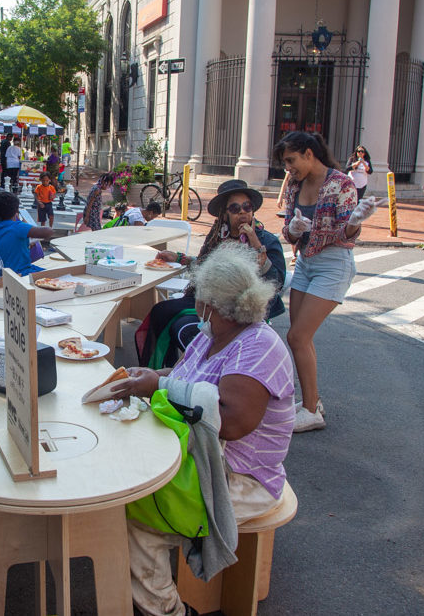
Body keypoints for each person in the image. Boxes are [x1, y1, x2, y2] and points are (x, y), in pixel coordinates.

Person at [116, 244, 294, 616]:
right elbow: (181, 376)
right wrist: (151, 376)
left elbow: (231, 423)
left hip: (242, 478)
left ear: (211, 304)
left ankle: (166, 610)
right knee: (128, 474)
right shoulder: (213, 334)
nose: (195, 304)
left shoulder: (259, 348)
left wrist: (160, 387)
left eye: (199, 298)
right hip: (208, 460)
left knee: (137, 516)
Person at [277, 131, 378, 432]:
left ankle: (311, 410)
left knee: (297, 336)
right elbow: (288, 232)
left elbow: (347, 235)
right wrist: (294, 229)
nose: (288, 169)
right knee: (298, 338)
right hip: (306, 261)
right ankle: (312, 402)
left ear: (309, 154)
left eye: (291, 161)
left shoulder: (340, 183)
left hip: (333, 264)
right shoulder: (295, 185)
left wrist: (354, 222)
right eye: (285, 163)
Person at [138, 179, 286, 369]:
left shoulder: (266, 240)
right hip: (208, 302)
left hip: (241, 310)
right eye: (234, 208)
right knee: (160, 311)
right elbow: (203, 265)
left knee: (183, 327)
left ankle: (199, 370)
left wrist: (256, 245)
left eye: (246, 206)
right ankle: (160, 370)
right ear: (225, 214)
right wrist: (179, 257)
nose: (242, 211)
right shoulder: (218, 236)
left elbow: (277, 282)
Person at [0, 191, 53, 275]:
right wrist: (27, 225)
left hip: (4, 273)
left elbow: (9, 245)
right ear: (16, 211)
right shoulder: (18, 227)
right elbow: (48, 232)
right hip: (21, 273)